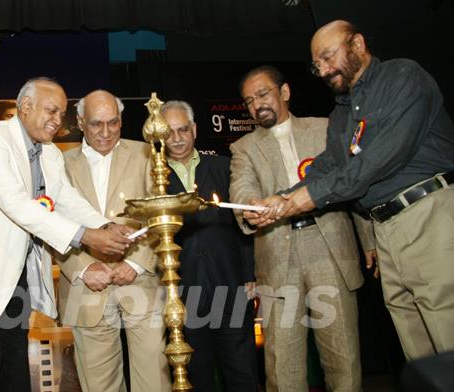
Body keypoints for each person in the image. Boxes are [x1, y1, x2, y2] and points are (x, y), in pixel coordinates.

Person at [0, 77, 137, 392]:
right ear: (26, 106)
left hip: (18, 287)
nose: (58, 121)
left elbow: (67, 201)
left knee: (14, 383)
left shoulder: (50, 153)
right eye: (51, 111)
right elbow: (17, 205)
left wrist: (105, 227)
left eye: (62, 115)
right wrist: (86, 236)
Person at [270, 20, 454, 360]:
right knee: (419, 351)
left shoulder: (403, 77)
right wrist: (280, 199)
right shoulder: (342, 113)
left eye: (328, 57)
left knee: (447, 329)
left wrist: (306, 198)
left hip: (429, 215)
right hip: (386, 229)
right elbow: (328, 165)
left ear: (357, 44)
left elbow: (379, 161)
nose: (323, 70)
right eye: (317, 65)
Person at [229, 66, 374, 391]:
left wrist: (368, 239)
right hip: (279, 259)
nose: (257, 105)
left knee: (344, 360)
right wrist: (252, 206)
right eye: (249, 101)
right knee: (282, 368)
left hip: (331, 250)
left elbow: (353, 185)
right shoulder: (244, 147)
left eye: (263, 94)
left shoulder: (325, 129)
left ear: (285, 92)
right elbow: (241, 189)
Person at [56, 90, 170, 392]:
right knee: (99, 386)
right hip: (86, 287)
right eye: (96, 124)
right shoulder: (57, 165)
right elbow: (51, 224)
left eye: (113, 123)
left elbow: (159, 217)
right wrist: (82, 269)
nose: (105, 133)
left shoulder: (147, 155)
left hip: (141, 281)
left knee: (154, 383)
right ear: (80, 122)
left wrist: (136, 262)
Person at [160, 100, 258, 391]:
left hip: (232, 288)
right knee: (197, 379)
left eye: (182, 130)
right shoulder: (155, 180)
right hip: (182, 295)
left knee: (243, 375)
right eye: (169, 132)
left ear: (194, 130)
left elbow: (246, 225)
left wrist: (250, 274)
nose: (176, 139)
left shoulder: (226, 167)